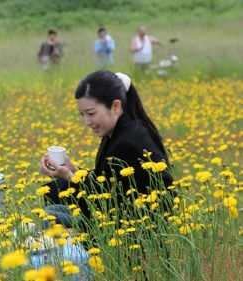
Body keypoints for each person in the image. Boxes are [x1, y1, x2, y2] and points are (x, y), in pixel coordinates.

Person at [39, 70, 173, 233]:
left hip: (133, 231)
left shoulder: (129, 142)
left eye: (91, 113)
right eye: (82, 114)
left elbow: (110, 204)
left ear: (115, 106)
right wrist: (72, 169)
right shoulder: (117, 131)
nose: (87, 122)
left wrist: (69, 176)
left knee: (47, 219)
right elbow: (106, 183)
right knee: (52, 193)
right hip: (115, 218)